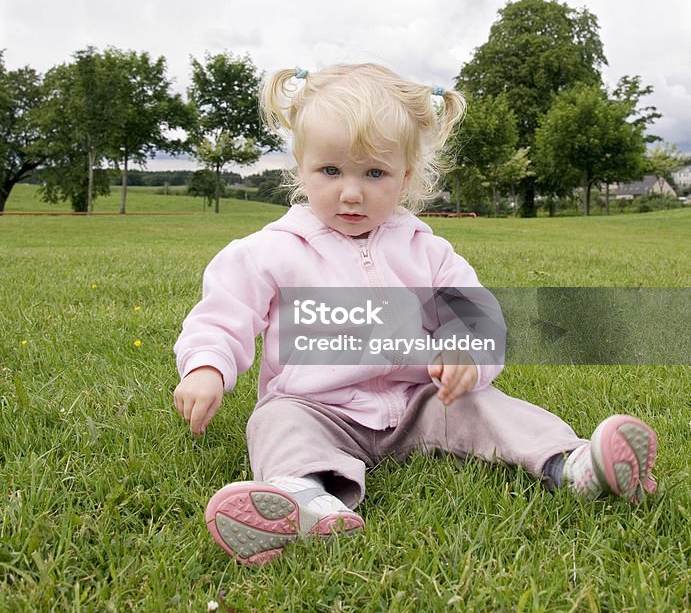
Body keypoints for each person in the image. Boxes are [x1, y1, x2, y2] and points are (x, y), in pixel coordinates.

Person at [173, 63, 658, 566]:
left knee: (486, 404)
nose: (352, 192)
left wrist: (465, 350)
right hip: (318, 406)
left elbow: (476, 313)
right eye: (331, 171)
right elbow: (224, 313)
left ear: (405, 178)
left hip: (418, 401)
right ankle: (302, 496)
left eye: (374, 173)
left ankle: (572, 463)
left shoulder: (427, 251)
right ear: (301, 168)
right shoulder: (268, 252)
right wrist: (207, 365)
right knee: (276, 419)